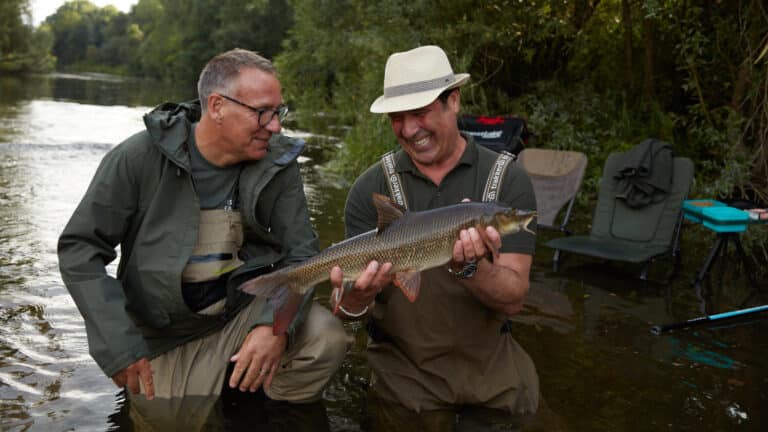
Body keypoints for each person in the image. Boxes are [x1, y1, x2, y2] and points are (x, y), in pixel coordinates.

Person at [58, 48, 346, 429]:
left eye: (279, 112)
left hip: (242, 313)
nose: (275, 126)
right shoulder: (136, 158)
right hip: (167, 335)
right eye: (262, 112)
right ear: (217, 106)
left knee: (325, 339)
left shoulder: (277, 163)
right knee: (164, 423)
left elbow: (302, 256)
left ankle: (267, 405)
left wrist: (273, 326)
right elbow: (80, 250)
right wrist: (118, 344)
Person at [329, 45, 540, 430]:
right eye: (397, 117)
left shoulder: (507, 180)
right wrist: (358, 296)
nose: (409, 130)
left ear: (453, 101)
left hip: (491, 370)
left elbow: (514, 300)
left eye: (421, 112)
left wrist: (470, 268)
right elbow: (344, 309)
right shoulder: (370, 189)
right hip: (405, 375)